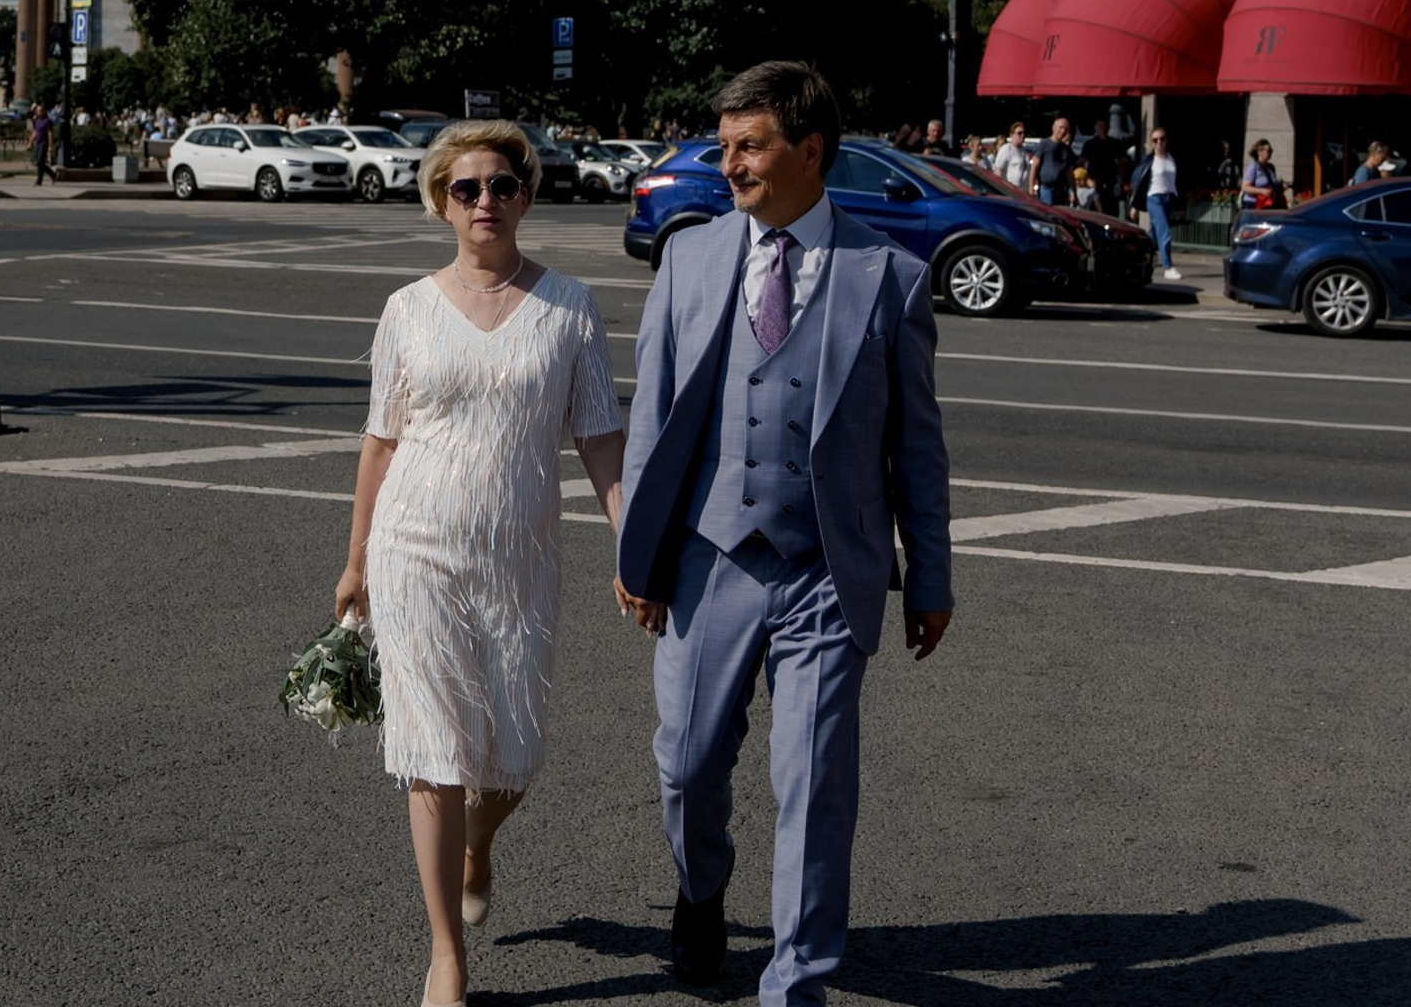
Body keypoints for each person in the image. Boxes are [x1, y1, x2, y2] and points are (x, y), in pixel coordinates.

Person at [615, 61, 953, 1006]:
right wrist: (636, 555)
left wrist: (931, 575)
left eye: (748, 146)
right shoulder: (688, 257)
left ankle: (794, 983)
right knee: (685, 766)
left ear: (809, 150)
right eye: (723, 147)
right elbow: (654, 421)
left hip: (825, 571)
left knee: (812, 791)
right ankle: (701, 888)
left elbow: (918, 450)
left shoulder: (890, 277)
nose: (730, 166)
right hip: (706, 558)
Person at [335, 122, 626, 1007]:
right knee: (436, 753)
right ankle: (446, 956)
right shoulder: (407, 308)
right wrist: (354, 564)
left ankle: (477, 843)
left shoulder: (570, 305)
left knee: (513, 756)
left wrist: (634, 543)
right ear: (440, 203)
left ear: (526, 197)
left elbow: (602, 441)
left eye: (502, 185)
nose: (485, 202)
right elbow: (380, 442)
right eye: (466, 190)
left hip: (520, 558)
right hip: (413, 549)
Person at [1130, 128, 1182, 280]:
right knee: (1164, 231)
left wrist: (1179, 206)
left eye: (1162, 139)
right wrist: (1134, 205)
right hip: (1154, 198)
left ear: (1166, 140)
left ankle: (1139, 254)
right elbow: (1139, 183)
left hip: (1168, 198)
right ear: (1151, 143)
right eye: (1155, 140)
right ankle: (1168, 267)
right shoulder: (1149, 161)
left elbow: (1177, 182)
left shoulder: (1172, 158)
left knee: (1154, 232)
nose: (1159, 142)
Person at [1028, 115, 1077, 206]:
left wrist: (1074, 192)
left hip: (1062, 190)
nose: (1063, 131)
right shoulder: (1044, 145)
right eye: (1061, 127)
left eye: (1066, 129)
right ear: (1054, 128)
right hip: (1046, 189)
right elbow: (1034, 167)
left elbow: (1069, 173)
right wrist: (1031, 190)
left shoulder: (1067, 149)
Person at [1079, 117, 1121, 216]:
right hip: (1095, 183)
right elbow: (1081, 163)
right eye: (1100, 126)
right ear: (1096, 128)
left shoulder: (1114, 144)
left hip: (1111, 183)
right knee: (1096, 212)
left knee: (1112, 213)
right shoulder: (1090, 144)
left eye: (1105, 126)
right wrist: (1087, 179)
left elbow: (1121, 162)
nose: (1103, 129)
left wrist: (1120, 179)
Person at [1241, 138, 1282, 209]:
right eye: (1268, 150)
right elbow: (1245, 187)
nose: (1270, 153)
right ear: (1259, 152)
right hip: (1253, 204)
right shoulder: (1253, 167)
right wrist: (1261, 191)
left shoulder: (1271, 167)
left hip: (1267, 203)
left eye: (1271, 151)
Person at [992, 121, 1032, 190]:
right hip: (1010, 191)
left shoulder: (1024, 151)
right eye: (1019, 133)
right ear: (1011, 134)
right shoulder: (1006, 149)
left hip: (1023, 191)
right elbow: (998, 171)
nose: (1022, 135)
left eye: (1023, 133)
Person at [31, 105, 56, 185]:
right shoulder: (38, 121)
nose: (38, 112)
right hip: (38, 143)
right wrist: (30, 142)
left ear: (44, 111)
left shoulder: (47, 121)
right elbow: (35, 132)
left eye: (40, 111)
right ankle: (53, 175)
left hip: (44, 143)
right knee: (39, 162)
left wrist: (50, 146)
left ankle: (39, 180)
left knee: (40, 161)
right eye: (37, 111)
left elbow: (50, 134)